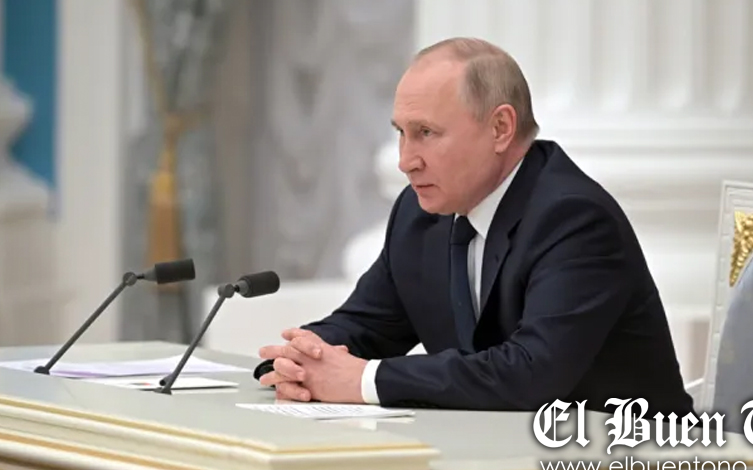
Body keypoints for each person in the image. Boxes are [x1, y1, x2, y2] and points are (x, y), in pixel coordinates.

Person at [255, 37, 694, 416]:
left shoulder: (574, 219)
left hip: (628, 460)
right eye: (401, 132)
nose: (406, 161)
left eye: (426, 133)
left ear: (500, 128)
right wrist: (299, 361)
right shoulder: (419, 213)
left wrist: (365, 380)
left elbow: (532, 374)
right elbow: (366, 325)